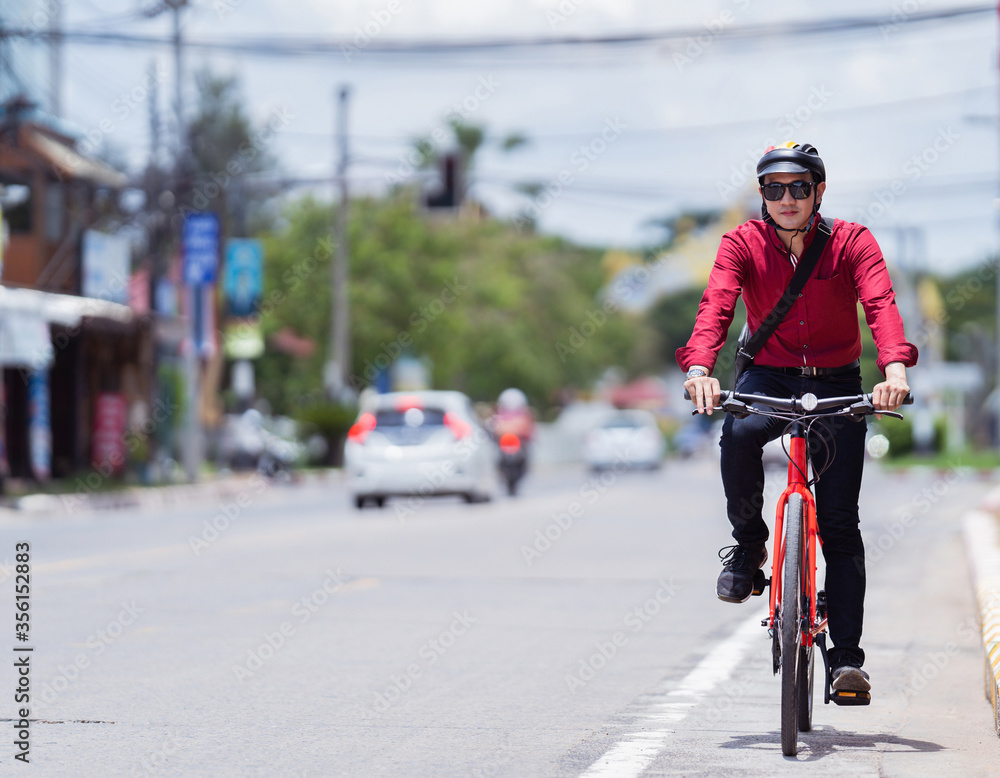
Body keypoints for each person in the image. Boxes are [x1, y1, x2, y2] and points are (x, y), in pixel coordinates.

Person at [676, 142, 916, 694]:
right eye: (773, 188)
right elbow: (715, 305)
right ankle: (748, 544)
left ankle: (847, 660)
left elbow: (881, 305)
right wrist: (698, 368)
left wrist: (895, 371)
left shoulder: (853, 242)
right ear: (762, 194)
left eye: (799, 187)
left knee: (839, 526)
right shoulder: (742, 243)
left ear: (819, 191)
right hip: (768, 375)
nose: (786, 198)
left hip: (836, 383)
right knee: (737, 434)